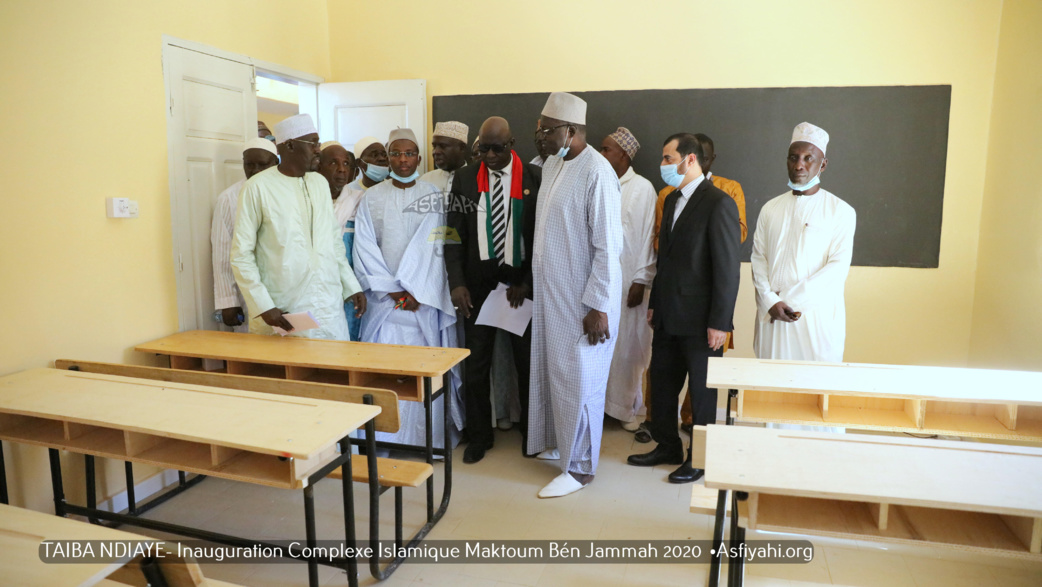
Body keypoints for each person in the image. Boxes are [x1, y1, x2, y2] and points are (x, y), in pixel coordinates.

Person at [627, 133, 741, 484]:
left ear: (689, 160)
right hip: (667, 314)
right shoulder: (673, 198)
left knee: (702, 395)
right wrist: (655, 304)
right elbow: (667, 260)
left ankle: (701, 459)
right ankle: (667, 446)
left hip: (703, 320)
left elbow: (727, 268)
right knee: (661, 384)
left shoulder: (719, 202)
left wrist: (720, 322)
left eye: (667, 158)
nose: (662, 165)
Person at [529, 92, 622, 498]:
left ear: (571, 131)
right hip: (552, 295)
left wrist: (599, 305)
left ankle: (580, 468)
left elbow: (608, 246)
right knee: (557, 373)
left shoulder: (598, 172)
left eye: (547, 131)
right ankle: (562, 445)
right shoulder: (552, 165)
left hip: (584, 301)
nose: (541, 138)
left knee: (582, 379)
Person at [353, 128, 462, 449]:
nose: (403, 160)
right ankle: (386, 440)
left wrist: (418, 291)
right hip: (385, 303)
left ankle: (427, 443)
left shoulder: (434, 196)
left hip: (424, 303)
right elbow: (364, 249)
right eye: (396, 153)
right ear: (388, 157)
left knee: (423, 375)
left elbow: (441, 247)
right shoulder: (371, 198)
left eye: (409, 153)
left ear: (418, 157)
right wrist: (394, 291)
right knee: (386, 375)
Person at [446, 116, 541, 464]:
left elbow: (542, 240)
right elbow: (451, 234)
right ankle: (478, 436)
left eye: (496, 148)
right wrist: (457, 282)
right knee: (475, 368)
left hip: (519, 287)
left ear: (512, 144)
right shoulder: (465, 178)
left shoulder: (534, 179)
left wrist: (526, 282)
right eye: (482, 148)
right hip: (478, 287)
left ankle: (532, 432)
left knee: (526, 365)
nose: (488, 155)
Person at [230, 113, 366, 340]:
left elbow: (333, 242)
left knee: (335, 369)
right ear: (290, 145)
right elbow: (241, 255)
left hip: (329, 304)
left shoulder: (319, 183)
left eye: (318, 143)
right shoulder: (257, 188)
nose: (318, 150)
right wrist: (264, 306)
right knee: (293, 372)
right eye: (313, 143)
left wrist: (352, 286)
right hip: (284, 308)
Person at [751, 122, 856, 363]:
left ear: (823, 164)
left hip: (814, 323)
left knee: (814, 393)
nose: (799, 165)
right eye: (793, 157)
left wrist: (788, 300)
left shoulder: (840, 211)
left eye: (809, 158)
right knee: (769, 392)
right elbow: (758, 259)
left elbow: (836, 269)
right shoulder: (771, 208)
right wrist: (770, 301)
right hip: (772, 319)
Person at [598, 128, 656, 432]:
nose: (602, 154)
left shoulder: (643, 188)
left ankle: (626, 408)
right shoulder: (598, 181)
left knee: (629, 348)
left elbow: (647, 237)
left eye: (606, 150)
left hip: (631, 282)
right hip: (601, 282)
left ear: (624, 155)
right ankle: (603, 406)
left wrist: (641, 279)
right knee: (603, 344)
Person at [210, 138, 279, 332]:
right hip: (248, 292)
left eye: (263, 164)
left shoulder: (287, 193)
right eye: (250, 165)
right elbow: (222, 253)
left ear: (276, 163)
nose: (255, 170)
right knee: (254, 351)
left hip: (286, 288)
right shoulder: (228, 199)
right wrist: (227, 301)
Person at [319, 141, 363, 341]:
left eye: (346, 164)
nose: (341, 169)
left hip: (350, 284)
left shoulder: (360, 199)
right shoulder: (308, 199)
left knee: (349, 339)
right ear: (319, 166)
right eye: (334, 163)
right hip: (317, 284)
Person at [420, 121, 469, 193]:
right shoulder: (425, 180)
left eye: (443, 146)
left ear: (462, 148)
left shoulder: (476, 180)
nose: (436, 152)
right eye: (434, 146)